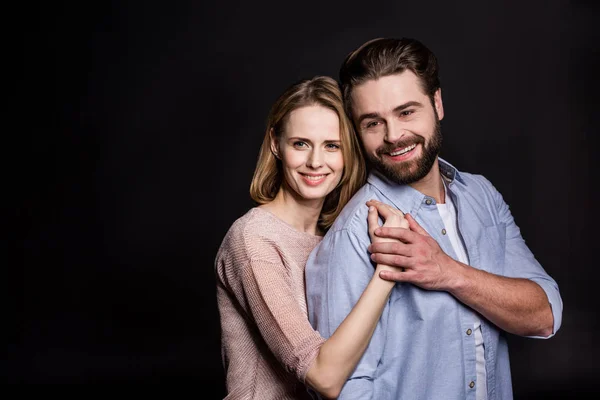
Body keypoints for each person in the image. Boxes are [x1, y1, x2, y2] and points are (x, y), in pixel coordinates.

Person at [305, 37, 563, 400]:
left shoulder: (480, 195)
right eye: (373, 123)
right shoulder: (355, 233)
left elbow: (544, 314)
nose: (394, 136)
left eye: (406, 112)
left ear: (437, 103)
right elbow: (344, 390)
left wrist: (446, 271)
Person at [214, 76, 409, 400]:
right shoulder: (254, 240)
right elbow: (324, 377)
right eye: (301, 143)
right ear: (276, 143)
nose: (315, 162)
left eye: (332, 146)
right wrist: (387, 271)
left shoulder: (334, 237)